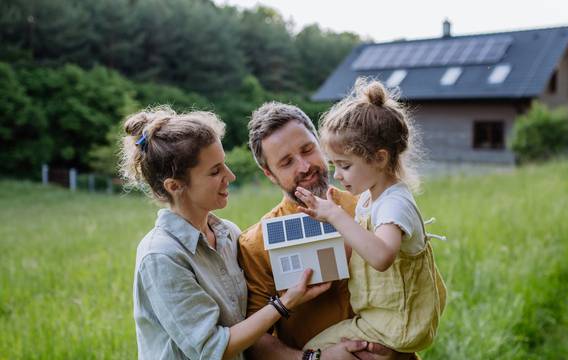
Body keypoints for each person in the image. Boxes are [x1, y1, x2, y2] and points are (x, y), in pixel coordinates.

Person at [121, 106, 329, 360]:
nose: (230, 176)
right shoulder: (161, 256)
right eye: (215, 171)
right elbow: (212, 349)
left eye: (224, 164)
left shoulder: (228, 234)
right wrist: (285, 304)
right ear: (175, 186)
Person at [238, 102, 413, 360]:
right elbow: (255, 339)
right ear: (270, 174)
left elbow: (413, 281)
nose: (304, 166)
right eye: (286, 162)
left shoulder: (374, 205)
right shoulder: (256, 243)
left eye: (308, 150)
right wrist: (315, 359)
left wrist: (395, 345)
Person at [295, 79, 447, 354]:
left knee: (312, 350)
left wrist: (336, 215)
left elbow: (380, 257)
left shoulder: (394, 205)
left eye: (345, 166)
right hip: (380, 318)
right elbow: (359, 248)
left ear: (379, 158)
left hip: (397, 324)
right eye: (334, 165)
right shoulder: (370, 196)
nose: (337, 175)